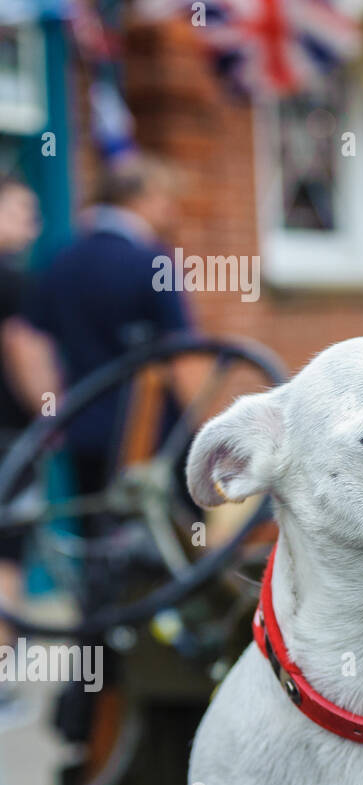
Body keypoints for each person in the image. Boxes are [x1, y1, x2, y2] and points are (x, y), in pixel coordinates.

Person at [16, 154, 200, 497]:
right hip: (154, 437)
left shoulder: (61, 258)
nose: (172, 210)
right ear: (139, 198)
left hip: (85, 430)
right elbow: (184, 357)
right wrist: (207, 428)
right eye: (165, 199)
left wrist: (51, 408)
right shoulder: (152, 261)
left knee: (97, 534)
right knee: (173, 540)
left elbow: (27, 340)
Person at [0, 175, 42, 727]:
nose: (33, 222)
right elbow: (25, 352)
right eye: (22, 209)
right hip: (7, 441)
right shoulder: (13, 282)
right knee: (6, 560)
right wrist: (51, 411)